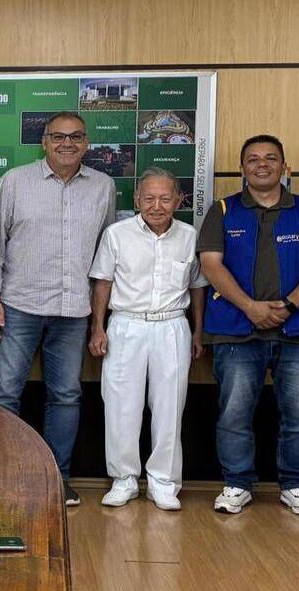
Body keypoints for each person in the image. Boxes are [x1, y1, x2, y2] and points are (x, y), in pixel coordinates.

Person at [0, 111, 116, 506]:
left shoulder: (103, 187)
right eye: (58, 137)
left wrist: (99, 315)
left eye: (75, 137)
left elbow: (107, 251)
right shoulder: (15, 181)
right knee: (4, 393)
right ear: (44, 142)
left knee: (67, 395)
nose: (66, 143)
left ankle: (57, 478)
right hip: (18, 304)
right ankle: (5, 475)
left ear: (87, 143)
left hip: (75, 309)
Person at [197, 134, 299, 515]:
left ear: (284, 167)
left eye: (271, 158)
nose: (262, 164)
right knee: (235, 412)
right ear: (242, 168)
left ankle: (295, 485)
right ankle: (237, 483)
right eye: (253, 159)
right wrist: (250, 307)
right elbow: (211, 264)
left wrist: (289, 305)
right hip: (236, 329)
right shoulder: (223, 211)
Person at [88, 168, 206, 511]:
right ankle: (123, 479)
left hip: (172, 326)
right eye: (149, 198)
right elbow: (102, 283)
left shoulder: (189, 236)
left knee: (170, 406)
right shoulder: (117, 234)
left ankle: (163, 482)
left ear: (179, 201)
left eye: (165, 198)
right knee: (121, 405)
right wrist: (98, 327)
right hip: (126, 325)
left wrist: (198, 330)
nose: (157, 206)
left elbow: (197, 286)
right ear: (137, 199)